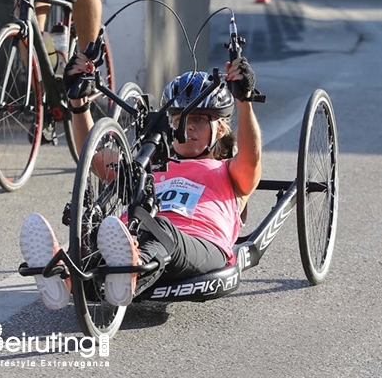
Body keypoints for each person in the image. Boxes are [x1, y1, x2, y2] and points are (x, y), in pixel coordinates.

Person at [19, 46, 263, 309]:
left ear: (221, 129)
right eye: (179, 118)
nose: (187, 126)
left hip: (199, 244)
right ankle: (64, 276)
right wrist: (79, 104)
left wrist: (244, 101)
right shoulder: (149, 164)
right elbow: (96, 158)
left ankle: (129, 268)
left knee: (159, 229)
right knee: (98, 232)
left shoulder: (227, 169)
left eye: (200, 119)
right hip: (132, 237)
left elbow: (252, 159)